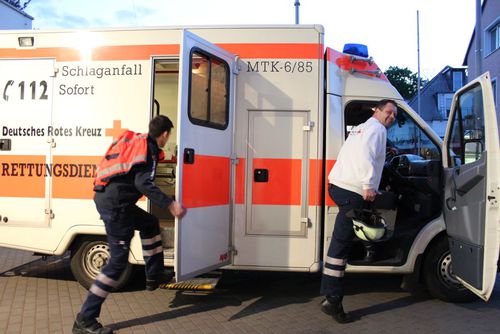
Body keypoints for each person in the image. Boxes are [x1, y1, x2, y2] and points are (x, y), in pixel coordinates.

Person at [72, 115, 186, 334]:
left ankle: (154, 275)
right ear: (165, 134)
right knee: (117, 262)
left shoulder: (141, 142)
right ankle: (85, 319)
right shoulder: (149, 149)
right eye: (168, 136)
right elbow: (143, 183)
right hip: (116, 206)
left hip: (114, 200)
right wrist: (170, 204)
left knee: (149, 222)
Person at [320, 99, 397, 324]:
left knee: (346, 236)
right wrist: (368, 186)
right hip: (352, 190)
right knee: (341, 242)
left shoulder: (363, 127)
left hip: (340, 186)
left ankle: (368, 251)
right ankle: (332, 299)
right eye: (389, 112)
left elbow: (366, 153)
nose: (391, 117)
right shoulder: (377, 129)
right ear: (377, 110)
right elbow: (366, 156)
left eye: (394, 114)